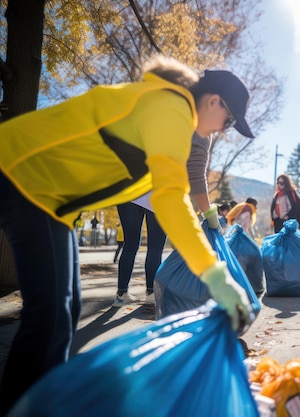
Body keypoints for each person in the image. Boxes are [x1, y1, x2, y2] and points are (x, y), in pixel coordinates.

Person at [0, 55, 255, 412]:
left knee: (65, 311)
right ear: (214, 101)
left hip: (47, 197)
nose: (221, 129)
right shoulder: (172, 108)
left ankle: (41, 404)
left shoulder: (169, 107)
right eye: (228, 121)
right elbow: (171, 197)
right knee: (50, 316)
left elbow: (175, 189)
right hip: (23, 174)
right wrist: (215, 275)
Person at [113, 129, 214, 307]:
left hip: (129, 189)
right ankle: (151, 294)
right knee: (155, 248)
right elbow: (194, 173)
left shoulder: (158, 119)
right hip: (158, 194)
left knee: (129, 245)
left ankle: (121, 295)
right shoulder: (192, 130)